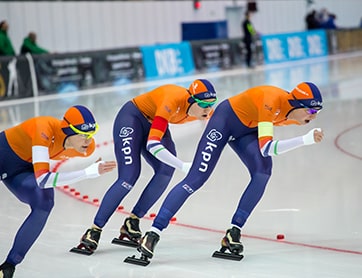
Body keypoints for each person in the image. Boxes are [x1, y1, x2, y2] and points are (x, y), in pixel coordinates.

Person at [138, 82, 324, 262]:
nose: (314, 116)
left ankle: (233, 232)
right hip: (224, 122)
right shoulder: (271, 101)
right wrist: (305, 140)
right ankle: (153, 233)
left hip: (248, 129)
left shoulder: (293, 115)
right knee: (196, 179)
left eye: (317, 112)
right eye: (311, 111)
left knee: (262, 173)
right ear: (296, 104)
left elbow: (263, 146)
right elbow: (266, 148)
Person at [74, 79, 217, 254]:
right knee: (129, 177)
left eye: (211, 104)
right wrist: (183, 165)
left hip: (153, 122)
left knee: (165, 171)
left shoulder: (207, 111)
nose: (207, 109)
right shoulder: (171, 101)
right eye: (203, 104)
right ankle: (94, 231)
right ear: (190, 100)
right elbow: (153, 145)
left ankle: (132, 222)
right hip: (132, 118)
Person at [0, 105, 116, 278]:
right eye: (83, 135)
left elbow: (42, 183)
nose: (88, 141)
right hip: (3, 153)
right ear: (68, 131)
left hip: (23, 170)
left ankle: (9, 267)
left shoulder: (85, 149)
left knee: (44, 202)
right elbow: (43, 179)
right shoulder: (44, 128)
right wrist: (87, 172)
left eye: (91, 135)